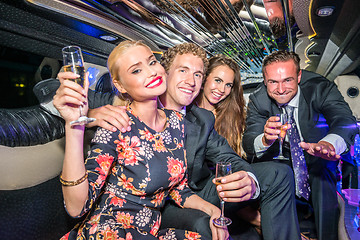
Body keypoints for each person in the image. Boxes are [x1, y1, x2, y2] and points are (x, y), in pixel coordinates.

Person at [79, 43, 301, 240]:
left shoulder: (201, 119)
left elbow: (226, 156)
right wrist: (91, 114)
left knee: (279, 173)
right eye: (183, 70)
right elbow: (54, 95)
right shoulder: (130, 101)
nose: (191, 81)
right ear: (164, 72)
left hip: (190, 193)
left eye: (198, 75)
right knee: (204, 226)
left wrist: (248, 181)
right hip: (156, 205)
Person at [53, 40, 228, 239]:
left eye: (152, 62)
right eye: (136, 70)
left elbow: (178, 189)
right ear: (119, 85)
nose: (151, 72)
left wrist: (214, 211)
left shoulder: (176, 122)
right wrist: (74, 125)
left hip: (148, 231)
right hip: (109, 230)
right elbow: (77, 207)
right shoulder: (116, 124)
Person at [242, 50, 359, 240]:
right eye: (273, 82)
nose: (280, 89)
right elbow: (249, 140)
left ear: (299, 76)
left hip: (318, 157)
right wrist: (264, 139)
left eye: (287, 80)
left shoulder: (319, 88)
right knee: (278, 174)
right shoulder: (258, 99)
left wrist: (328, 144)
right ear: (265, 81)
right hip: (282, 161)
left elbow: (344, 120)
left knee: (322, 173)